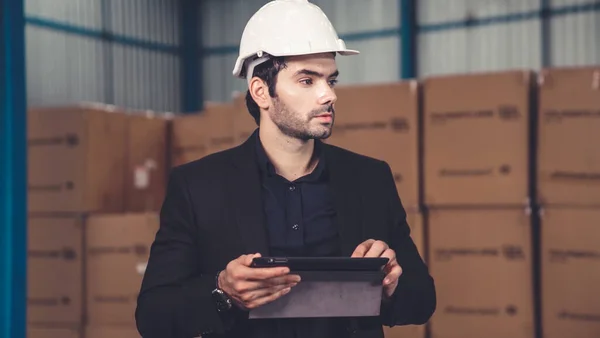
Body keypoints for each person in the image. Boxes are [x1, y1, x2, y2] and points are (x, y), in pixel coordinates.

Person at [135, 0, 436, 337]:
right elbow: (153, 316)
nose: (329, 96)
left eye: (331, 81)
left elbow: (422, 300)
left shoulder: (370, 179)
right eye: (307, 81)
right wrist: (222, 291)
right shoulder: (198, 187)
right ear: (261, 92)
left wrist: (392, 284)